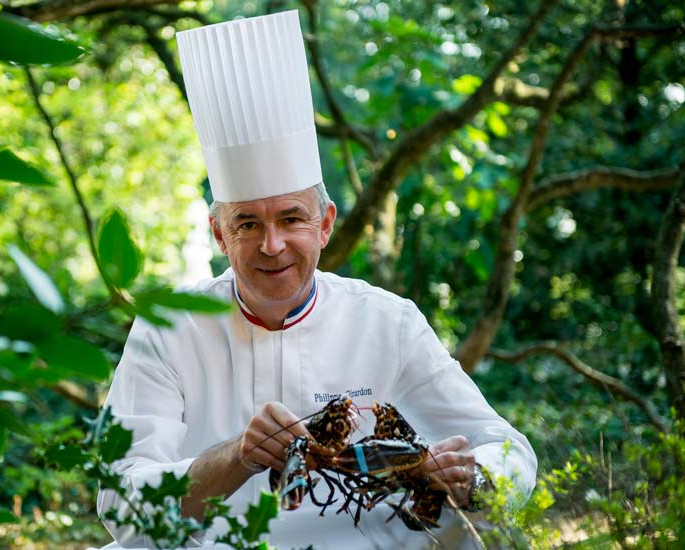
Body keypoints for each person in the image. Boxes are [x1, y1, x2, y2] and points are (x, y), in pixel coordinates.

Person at [98, 10, 536, 549]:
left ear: (325, 224)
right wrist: (238, 455)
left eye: (291, 219)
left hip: (370, 542)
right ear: (218, 233)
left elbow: (506, 447)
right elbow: (120, 502)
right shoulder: (170, 326)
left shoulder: (387, 321)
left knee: (488, 527)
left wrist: (474, 474)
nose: (272, 245)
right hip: (219, 544)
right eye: (248, 223)